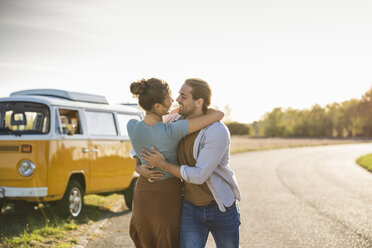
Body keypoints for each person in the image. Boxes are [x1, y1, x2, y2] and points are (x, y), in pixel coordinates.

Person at [140, 78, 241, 248]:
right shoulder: (175, 120)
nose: (177, 99)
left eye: (183, 96)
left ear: (198, 102)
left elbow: (199, 176)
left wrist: (163, 164)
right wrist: (138, 166)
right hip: (190, 207)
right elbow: (145, 137)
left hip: (221, 209)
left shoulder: (216, 131)